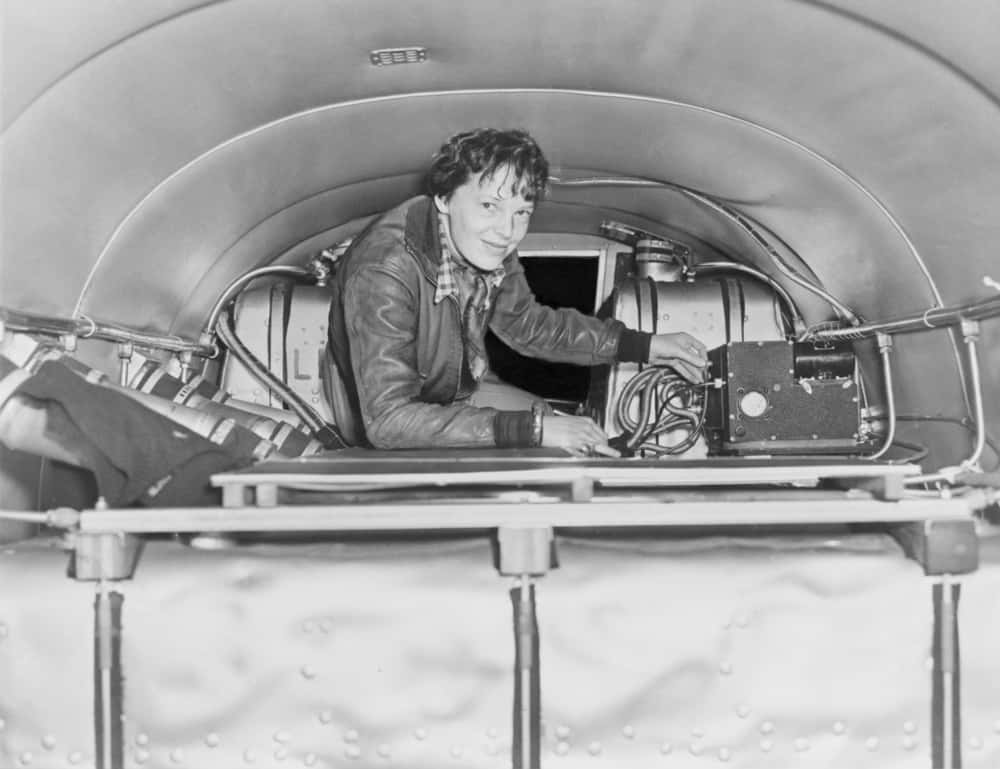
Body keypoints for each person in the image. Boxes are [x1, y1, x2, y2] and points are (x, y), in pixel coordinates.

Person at [325, 128, 707, 455]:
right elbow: (389, 420)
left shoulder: (489, 243)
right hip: (384, 418)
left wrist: (647, 345)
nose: (507, 230)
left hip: (451, 393)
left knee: (571, 436)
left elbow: (530, 326)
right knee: (540, 435)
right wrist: (534, 431)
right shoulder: (384, 270)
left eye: (521, 212)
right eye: (490, 205)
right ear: (443, 198)